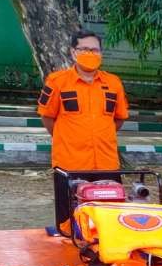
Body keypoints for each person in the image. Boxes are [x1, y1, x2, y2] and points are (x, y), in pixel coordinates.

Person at [38, 30, 129, 171]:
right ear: (73, 52)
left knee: (110, 194)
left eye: (94, 50)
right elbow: (47, 117)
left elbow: (119, 119)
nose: (90, 54)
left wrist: (100, 133)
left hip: (107, 164)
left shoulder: (114, 83)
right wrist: (69, 137)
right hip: (69, 164)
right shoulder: (57, 81)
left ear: (100, 53)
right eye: (84, 49)